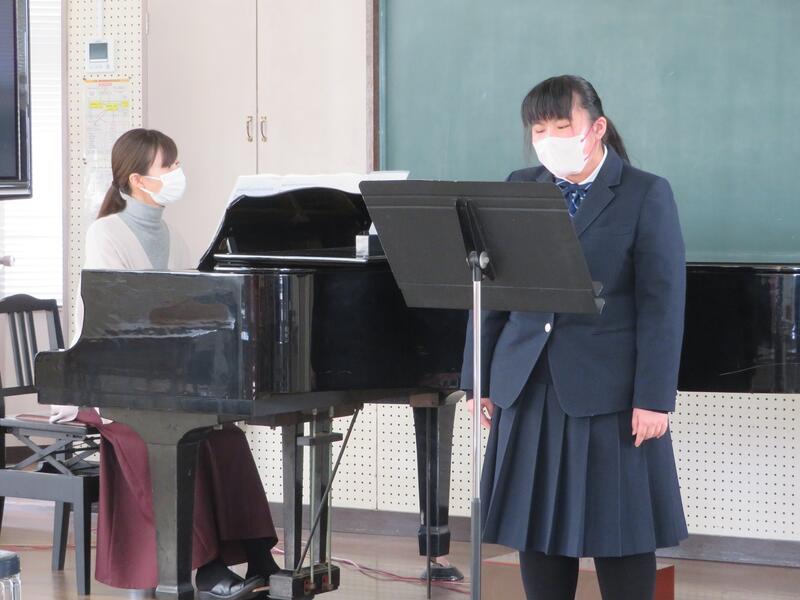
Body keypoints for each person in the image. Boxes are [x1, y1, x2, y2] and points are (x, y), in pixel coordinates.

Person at [463, 75, 688, 600]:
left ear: (597, 127)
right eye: (538, 129)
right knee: (536, 531)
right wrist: (479, 378)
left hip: (611, 393)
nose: (548, 139)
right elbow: (491, 293)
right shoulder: (519, 186)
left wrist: (655, 397)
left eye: (561, 126)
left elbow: (663, 304)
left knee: (621, 534)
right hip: (527, 383)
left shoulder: (645, 193)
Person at [50, 128, 279, 600]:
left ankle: (260, 556)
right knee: (162, 442)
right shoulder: (106, 233)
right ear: (138, 179)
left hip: (164, 386)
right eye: (167, 166)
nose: (177, 173)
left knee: (226, 437)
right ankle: (205, 567)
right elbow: (118, 322)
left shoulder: (175, 237)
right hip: (107, 385)